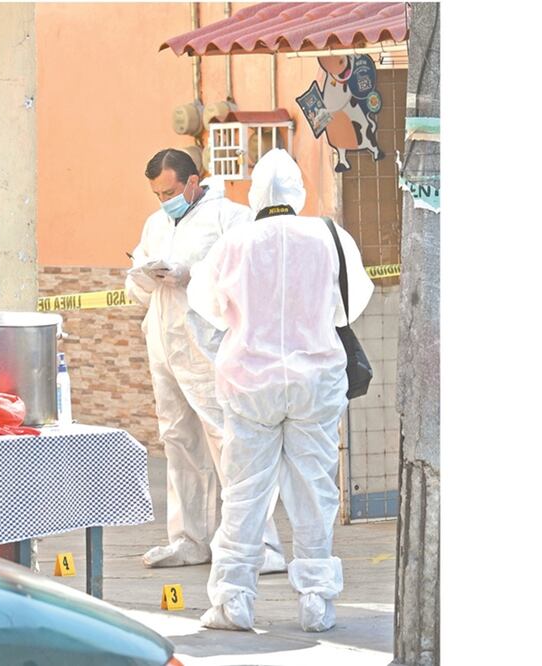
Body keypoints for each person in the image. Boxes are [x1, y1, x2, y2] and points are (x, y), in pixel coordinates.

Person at [188, 149, 374, 632]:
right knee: (314, 490)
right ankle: (316, 600)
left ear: (255, 192)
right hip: (317, 381)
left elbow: (207, 306)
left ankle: (233, 601)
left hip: (250, 382)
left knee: (245, 492)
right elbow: (349, 308)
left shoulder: (234, 243)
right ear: (298, 192)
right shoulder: (329, 236)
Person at [126, 148, 286, 571]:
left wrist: (189, 274)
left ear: (193, 182)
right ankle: (189, 539)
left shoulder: (229, 218)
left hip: (211, 347)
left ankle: (259, 544)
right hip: (164, 345)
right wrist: (143, 276)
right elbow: (137, 293)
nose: (164, 201)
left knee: (231, 444)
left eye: (169, 191)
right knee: (178, 442)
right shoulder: (155, 224)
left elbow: (246, 277)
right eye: (157, 194)